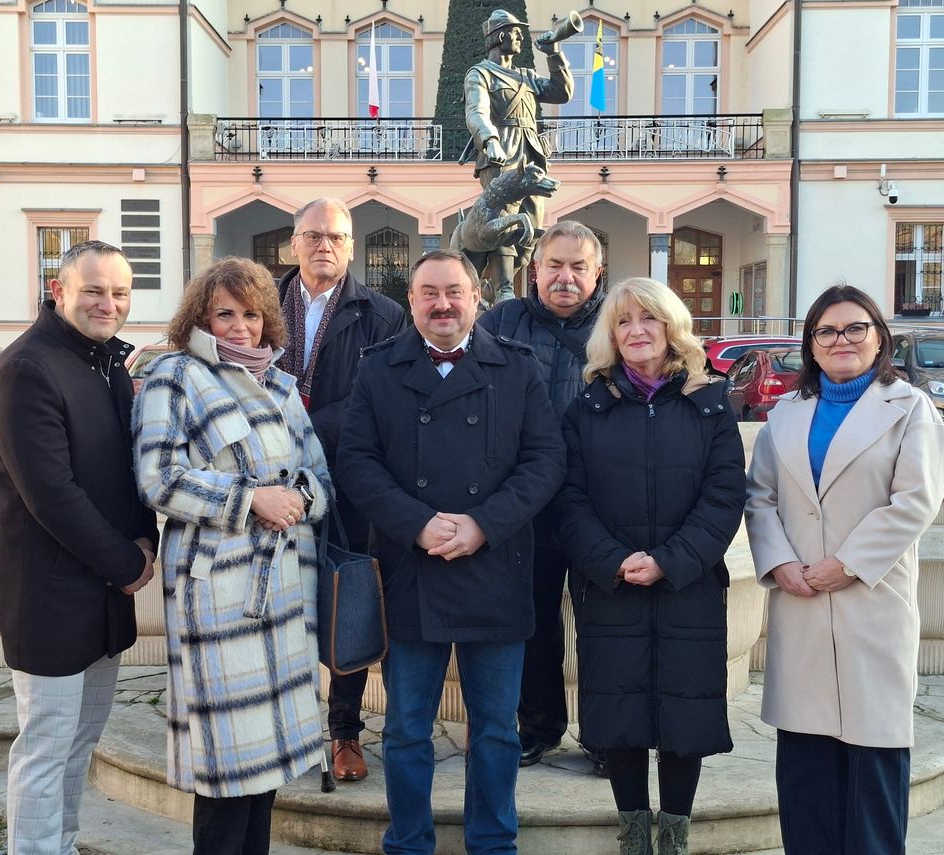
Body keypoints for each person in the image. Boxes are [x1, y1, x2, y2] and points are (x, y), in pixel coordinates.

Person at [337, 249, 566, 854]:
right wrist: (415, 524)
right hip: (413, 569)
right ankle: (408, 842)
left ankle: (492, 843)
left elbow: (545, 461)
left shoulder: (517, 368)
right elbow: (357, 461)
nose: (443, 304)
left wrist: (482, 524)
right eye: (429, 293)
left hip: (495, 568)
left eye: (455, 292)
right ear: (411, 300)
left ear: (476, 299)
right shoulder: (379, 369)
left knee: (495, 730)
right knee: (408, 728)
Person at [133, 257, 333, 855]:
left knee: (267, 766)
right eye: (225, 314)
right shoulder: (174, 374)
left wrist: (299, 497)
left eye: (251, 314)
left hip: (283, 594)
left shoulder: (279, 383)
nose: (241, 327)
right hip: (218, 595)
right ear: (200, 316)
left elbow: (319, 474)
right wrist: (251, 499)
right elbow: (159, 478)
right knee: (225, 769)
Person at [745, 284, 944, 855]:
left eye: (855, 328)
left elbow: (916, 500)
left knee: (873, 763)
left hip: (870, 600)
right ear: (811, 344)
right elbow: (759, 497)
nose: (842, 340)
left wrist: (850, 564)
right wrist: (780, 562)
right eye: (827, 331)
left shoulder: (910, 409)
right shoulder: (786, 413)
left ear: (878, 336)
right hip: (801, 599)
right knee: (807, 768)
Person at [556, 277, 746, 855]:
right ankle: (634, 833)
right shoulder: (587, 407)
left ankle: (675, 836)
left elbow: (724, 495)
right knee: (621, 718)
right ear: (610, 335)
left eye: (650, 319)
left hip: (686, 586)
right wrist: (613, 561)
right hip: (611, 588)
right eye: (624, 321)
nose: (637, 331)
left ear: (671, 328)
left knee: (685, 717)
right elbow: (569, 498)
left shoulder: (709, 404)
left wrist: (670, 561)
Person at [0, 240, 159, 855]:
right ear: (58, 291)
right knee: (44, 746)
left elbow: (129, 470)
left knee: (79, 746)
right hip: (52, 598)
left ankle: (61, 844)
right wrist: (130, 563)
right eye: (93, 290)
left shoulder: (107, 364)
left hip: (104, 597)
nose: (107, 303)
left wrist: (145, 537)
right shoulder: (26, 369)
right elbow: (50, 495)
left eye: (118, 292)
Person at [278, 197, 406, 782]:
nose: (323, 246)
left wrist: (302, 424)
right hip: (270, 480)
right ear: (294, 243)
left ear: (351, 247)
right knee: (279, 604)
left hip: (349, 480)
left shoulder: (381, 314)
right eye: (313, 236)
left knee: (346, 601)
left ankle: (345, 733)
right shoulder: (263, 304)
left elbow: (378, 399)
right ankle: (282, 727)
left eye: (335, 237)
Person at [477, 220, 606, 772]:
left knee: (603, 622)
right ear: (535, 269)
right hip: (525, 505)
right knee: (533, 621)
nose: (566, 277)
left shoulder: (620, 323)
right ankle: (540, 725)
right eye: (555, 265)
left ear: (597, 273)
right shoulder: (502, 323)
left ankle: (606, 735)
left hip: (601, 504)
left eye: (578, 266)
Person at [464, 9, 572, 302]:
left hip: (531, 153)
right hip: (502, 152)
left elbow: (562, 93)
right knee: (505, 218)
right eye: (515, 32)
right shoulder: (480, 73)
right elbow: (476, 112)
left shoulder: (526, 75)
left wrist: (553, 54)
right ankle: (504, 290)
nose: (520, 37)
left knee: (530, 228)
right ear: (500, 35)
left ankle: (500, 282)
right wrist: (490, 140)